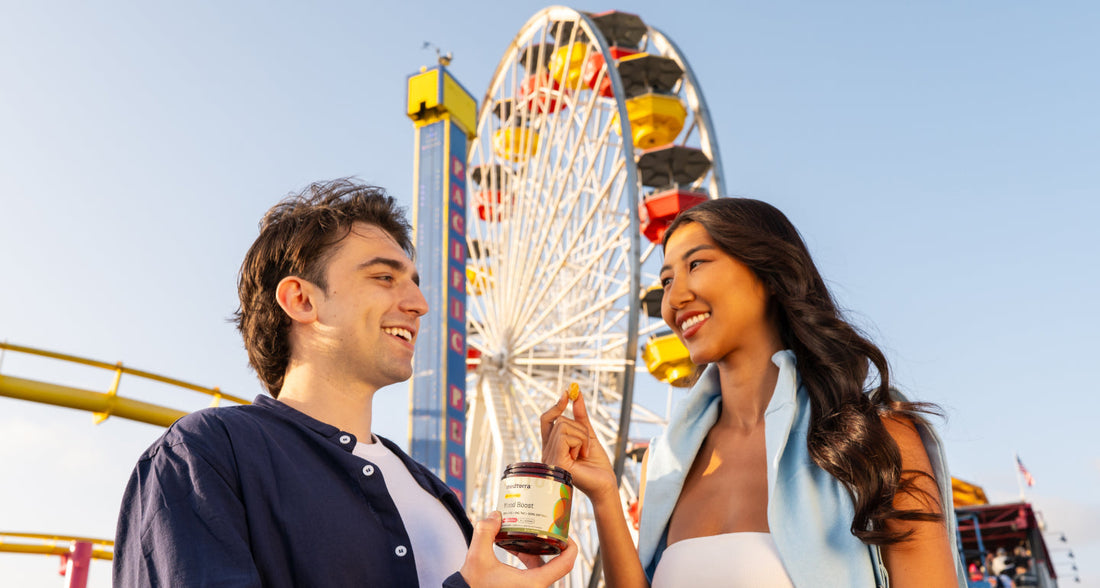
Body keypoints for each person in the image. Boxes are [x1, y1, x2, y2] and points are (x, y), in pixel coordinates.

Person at [114, 179, 576, 587]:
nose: (419, 303)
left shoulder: (433, 492)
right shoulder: (205, 455)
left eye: (413, 283)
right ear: (301, 299)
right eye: (383, 277)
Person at [541, 198, 966, 587]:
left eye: (697, 264)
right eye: (666, 280)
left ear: (771, 276)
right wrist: (604, 497)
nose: (675, 297)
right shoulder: (667, 462)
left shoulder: (878, 441)